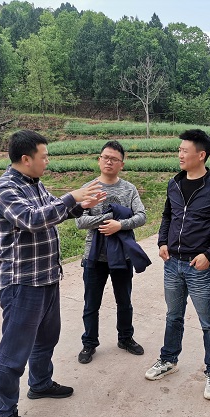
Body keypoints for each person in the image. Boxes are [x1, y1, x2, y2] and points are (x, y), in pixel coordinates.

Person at [0, 130, 106, 417]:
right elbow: (31, 219)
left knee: (46, 338)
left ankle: (40, 383)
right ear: (25, 159)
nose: (47, 161)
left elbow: (52, 211)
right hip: (22, 282)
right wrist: (73, 197)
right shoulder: (4, 188)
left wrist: (80, 205)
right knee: (13, 353)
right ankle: (5, 412)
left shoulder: (35, 184)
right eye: (44, 156)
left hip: (47, 277)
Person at [144, 129, 210, 401]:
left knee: (209, 322)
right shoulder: (174, 184)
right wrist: (162, 241)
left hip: (199, 268)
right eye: (179, 150)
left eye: (184, 151)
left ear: (201, 155)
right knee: (173, 316)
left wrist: (209, 255)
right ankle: (168, 359)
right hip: (172, 264)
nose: (180, 155)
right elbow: (167, 216)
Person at [75, 140, 150, 364]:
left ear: (121, 164)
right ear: (99, 160)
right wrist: (108, 218)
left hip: (123, 255)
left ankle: (125, 338)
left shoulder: (129, 189)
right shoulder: (89, 188)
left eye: (114, 159)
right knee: (91, 303)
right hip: (94, 256)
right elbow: (80, 221)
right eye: (105, 157)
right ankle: (89, 343)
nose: (109, 162)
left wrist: (120, 225)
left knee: (124, 301)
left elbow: (142, 216)